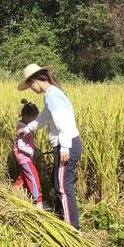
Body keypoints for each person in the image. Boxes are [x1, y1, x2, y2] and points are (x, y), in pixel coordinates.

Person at [17, 64, 82, 230]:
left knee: (63, 186)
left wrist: (65, 148)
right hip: (65, 143)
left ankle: (72, 229)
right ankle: (65, 217)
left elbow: (63, 123)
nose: (31, 89)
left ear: (33, 81)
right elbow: (44, 117)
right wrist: (28, 128)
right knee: (57, 182)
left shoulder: (52, 96)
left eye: (29, 86)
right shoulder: (51, 94)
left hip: (66, 144)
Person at [13, 99, 44, 209]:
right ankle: (38, 201)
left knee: (23, 177)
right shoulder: (22, 128)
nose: (35, 122)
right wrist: (33, 152)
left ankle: (13, 192)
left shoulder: (23, 125)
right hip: (24, 158)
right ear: (26, 117)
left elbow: (27, 143)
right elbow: (21, 146)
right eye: (34, 119)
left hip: (25, 157)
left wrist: (35, 149)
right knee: (33, 177)